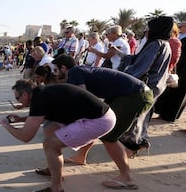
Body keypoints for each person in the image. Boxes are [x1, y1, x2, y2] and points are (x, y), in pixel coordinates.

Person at [38, 54, 152, 189]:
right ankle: (81, 156)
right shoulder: (80, 72)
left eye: (56, 70)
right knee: (95, 122)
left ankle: (126, 177)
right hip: (130, 93)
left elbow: (80, 98)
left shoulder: (74, 72)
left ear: (63, 68)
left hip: (135, 95)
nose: (55, 75)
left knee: (109, 136)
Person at [1, 80, 116, 192]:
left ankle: (56, 188)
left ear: (25, 95)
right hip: (103, 115)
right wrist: (21, 119)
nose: (18, 101)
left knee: (50, 144)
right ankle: (53, 169)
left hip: (99, 121)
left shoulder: (39, 100)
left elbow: (25, 137)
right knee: (50, 128)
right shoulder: (42, 93)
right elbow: (41, 115)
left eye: (17, 98)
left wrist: (6, 125)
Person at [119, 16, 173, 156]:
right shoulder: (165, 44)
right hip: (156, 86)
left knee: (136, 116)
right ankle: (141, 141)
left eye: (149, 28)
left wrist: (124, 77)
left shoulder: (155, 44)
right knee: (144, 115)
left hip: (146, 86)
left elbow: (141, 67)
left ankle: (132, 147)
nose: (146, 31)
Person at [154, 21, 185, 122]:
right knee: (168, 93)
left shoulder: (178, 40)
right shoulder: (180, 38)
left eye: (182, 26)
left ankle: (170, 116)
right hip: (177, 69)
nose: (180, 27)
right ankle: (163, 114)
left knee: (177, 95)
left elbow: (176, 57)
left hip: (183, 70)